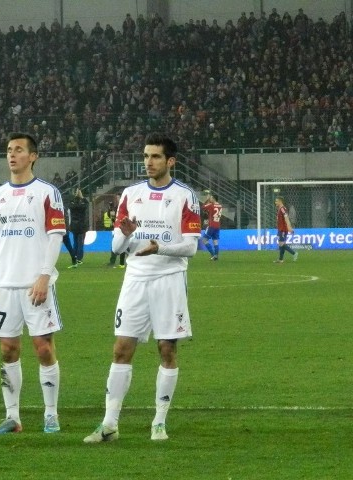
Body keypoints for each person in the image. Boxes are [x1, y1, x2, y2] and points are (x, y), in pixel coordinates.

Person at [84, 133, 201, 443]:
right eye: (146, 156)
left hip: (169, 279)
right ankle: (109, 424)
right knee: (122, 348)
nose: (148, 162)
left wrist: (159, 247)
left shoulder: (186, 196)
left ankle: (159, 422)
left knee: (167, 349)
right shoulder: (131, 194)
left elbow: (190, 248)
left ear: (170, 161)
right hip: (135, 279)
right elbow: (117, 244)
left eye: (155, 157)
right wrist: (124, 234)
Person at [0, 132, 66, 434]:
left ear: (33, 156)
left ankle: (50, 413)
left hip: (35, 284)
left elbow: (55, 236)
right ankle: (12, 417)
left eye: (19, 150)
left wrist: (43, 275)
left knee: (43, 348)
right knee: (8, 350)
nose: (12, 155)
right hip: (5, 285)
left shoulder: (47, 193)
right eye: (9, 150)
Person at [67, 188, 90, 268]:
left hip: (74, 226)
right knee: (81, 243)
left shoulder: (72, 206)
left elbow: (69, 204)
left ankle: (75, 257)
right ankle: (79, 259)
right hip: (81, 226)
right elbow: (87, 204)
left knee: (75, 243)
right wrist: (82, 196)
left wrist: (75, 196)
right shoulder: (82, 206)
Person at [273, 196, 298, 263]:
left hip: (283, 229)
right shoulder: (280, 209)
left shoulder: (282, 209)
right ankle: (281, 259)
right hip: (280, 229)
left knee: (281, 244)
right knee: (281, 244)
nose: (275, 202)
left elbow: (286, 218)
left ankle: (294, 253)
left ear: (280, 201)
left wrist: (289, 227)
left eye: (276, 201)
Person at [201, 192, 223, 260]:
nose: (210, 199)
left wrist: (206, 200)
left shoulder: (211, 205)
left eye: (210, 198)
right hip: (217, 225)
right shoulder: (220, 206)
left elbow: (202, 207)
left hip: (211, 225)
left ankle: (213, 254)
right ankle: (216, 256)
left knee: (204, 240)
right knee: (215, 241)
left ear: (213, 198)